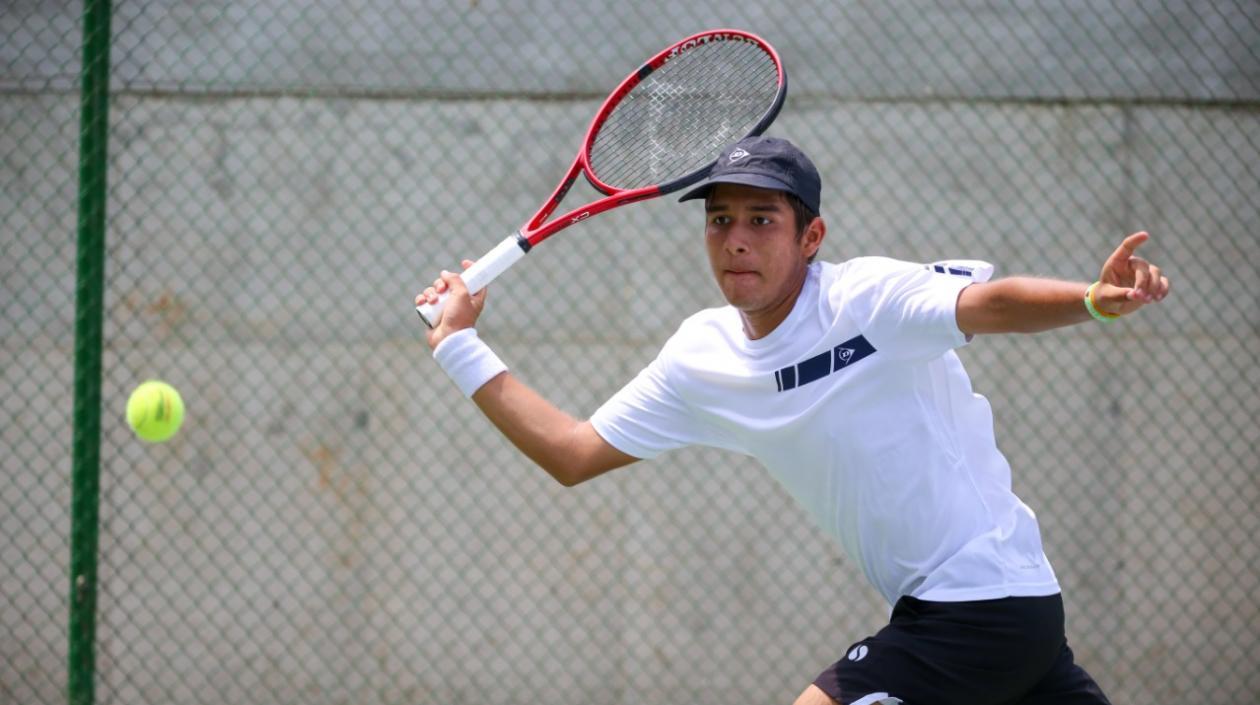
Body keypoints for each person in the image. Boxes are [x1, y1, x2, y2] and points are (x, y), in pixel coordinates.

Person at [415, 135, 1169, 705]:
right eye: (719, 219)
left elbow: (989, 304)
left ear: (811, 237)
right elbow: (573, 451)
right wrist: (458, 345)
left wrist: (1092, 299)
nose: (736, 238)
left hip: (980, 601)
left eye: (761, 219)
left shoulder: (866, 299)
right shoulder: (701, 356)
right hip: (990, 611)